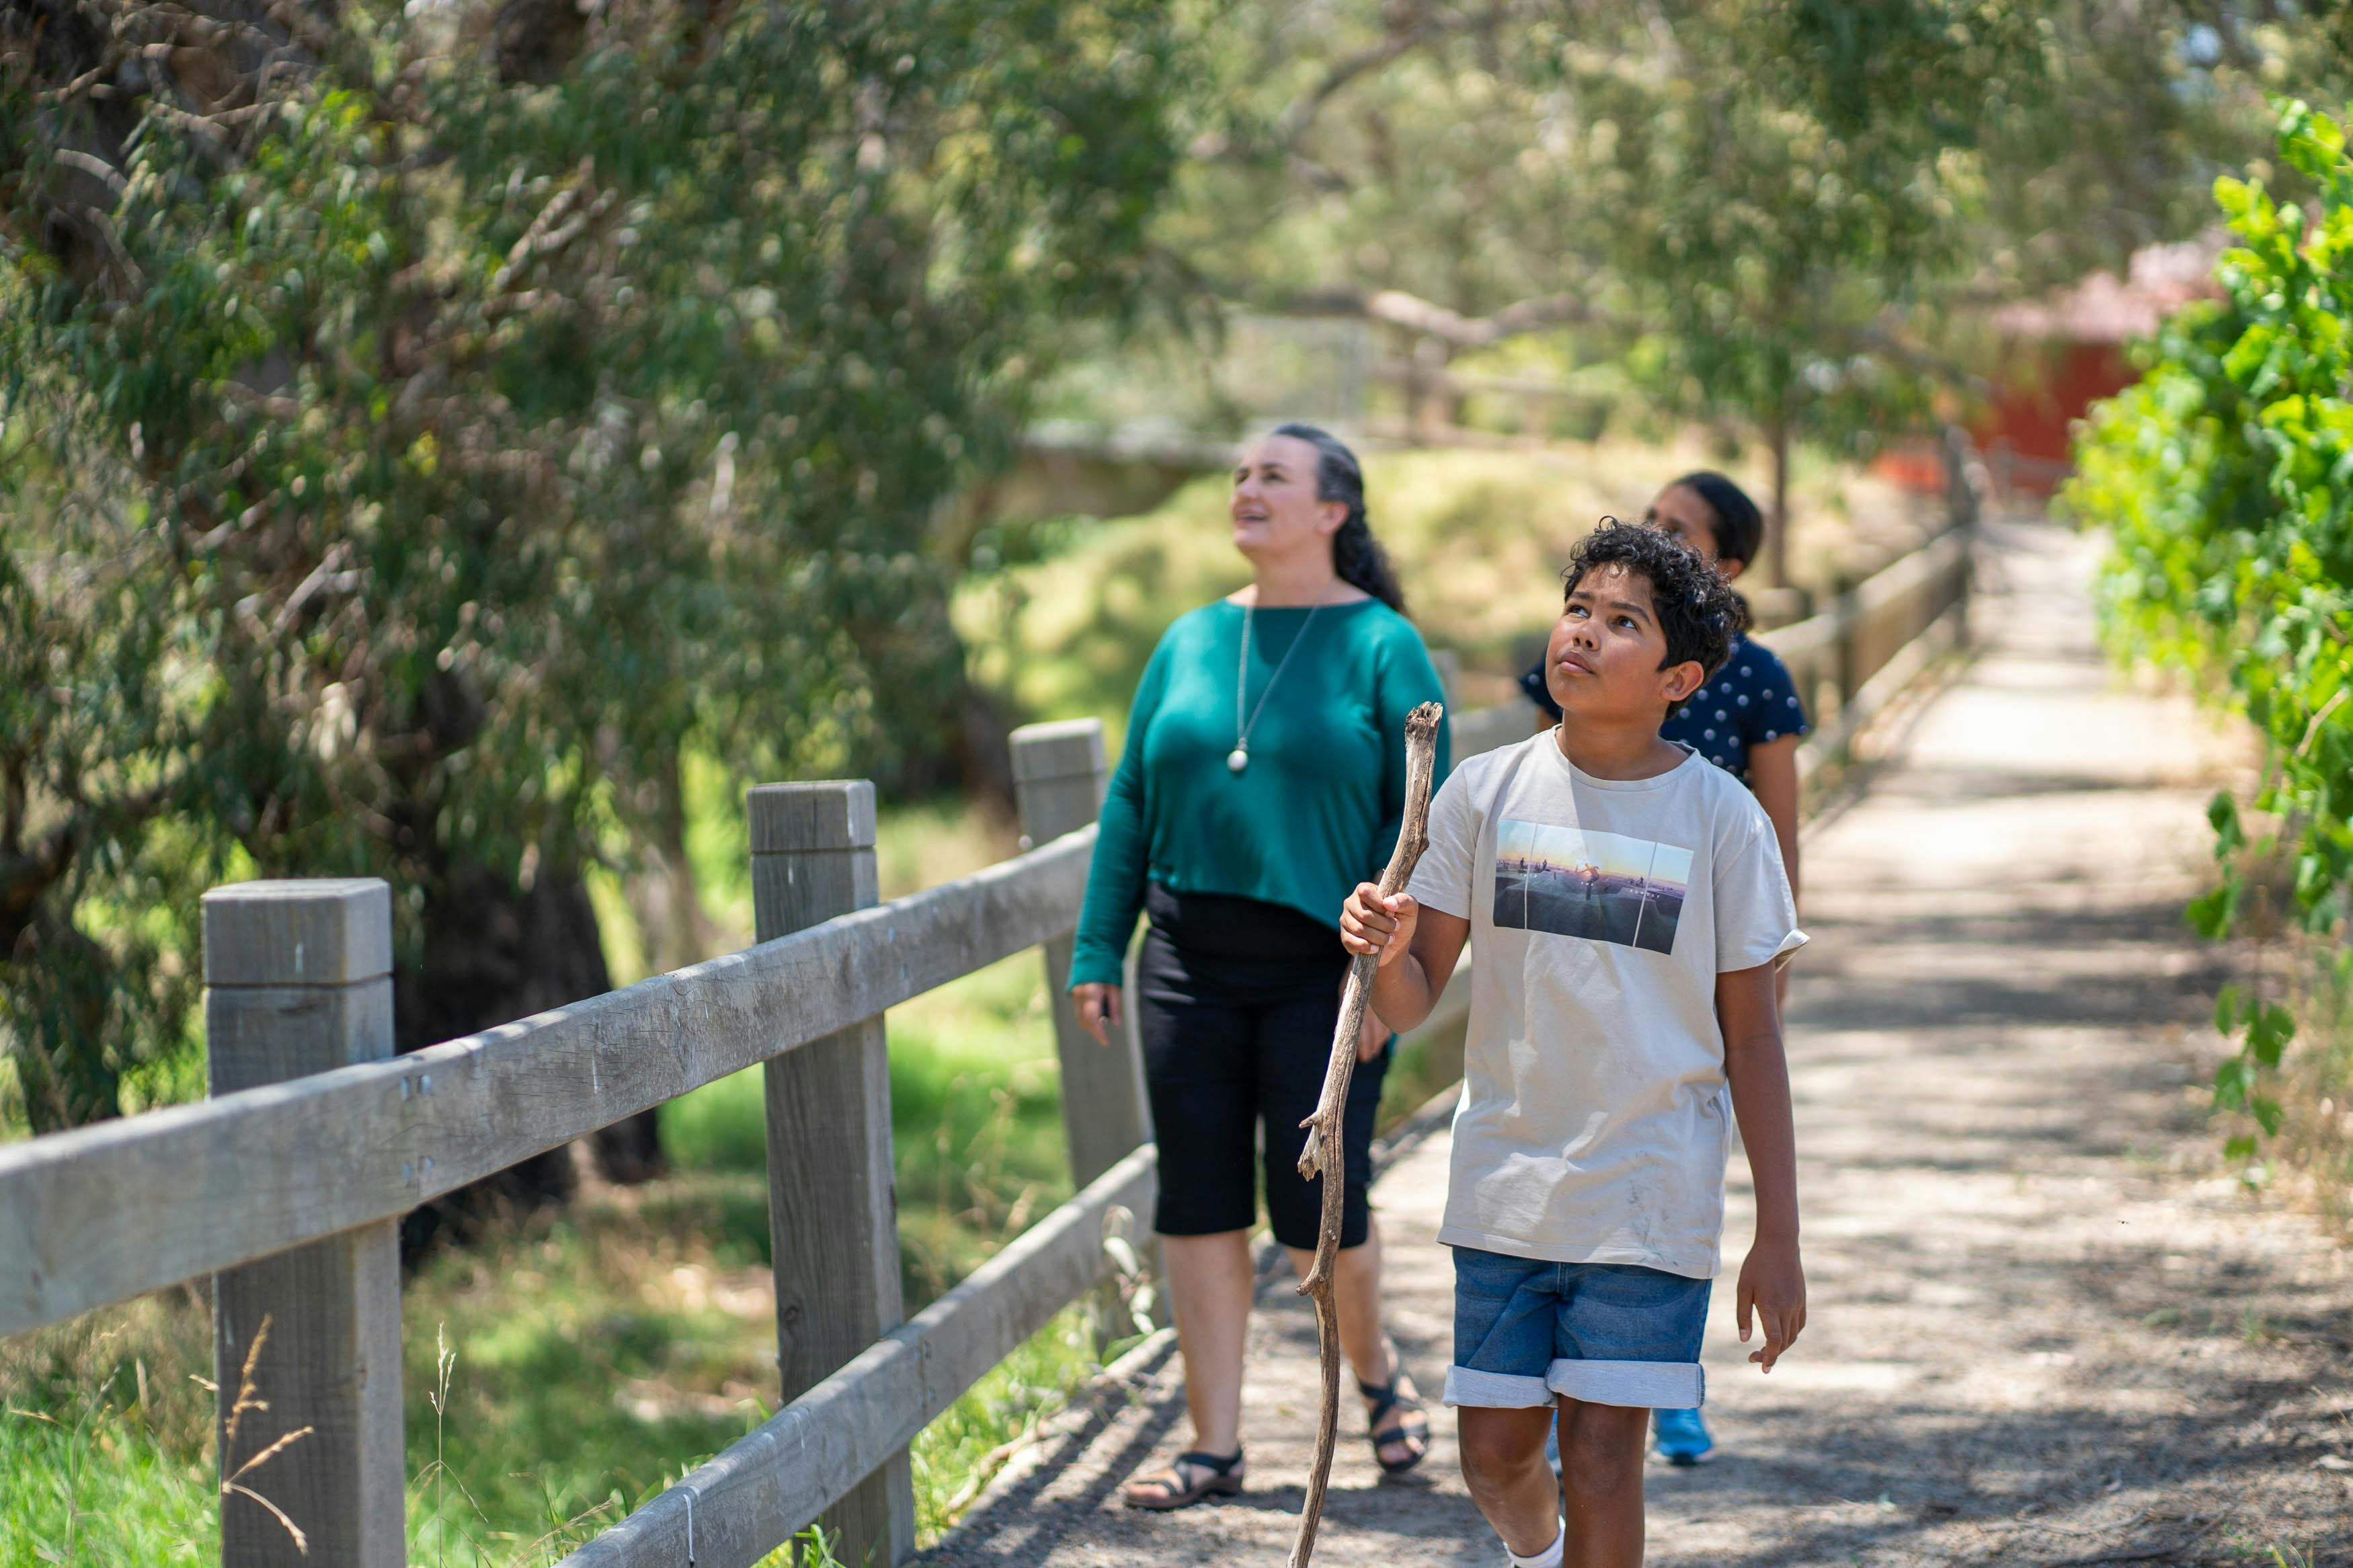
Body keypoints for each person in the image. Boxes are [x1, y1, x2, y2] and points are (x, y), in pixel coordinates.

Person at [1341, 521, 1806, 1568]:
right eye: (1579, 610)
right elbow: (1414, 1001)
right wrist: (1380, 948)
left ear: (1678, 677)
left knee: (1604, 1457)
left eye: (1623, 622)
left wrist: (1777, 1231)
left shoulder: (1722, 820)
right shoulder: (1483, 794)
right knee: (1495, 1455)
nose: (1586, 634)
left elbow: (1755, 1037)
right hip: (1508, 1180)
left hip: (1652, 1190)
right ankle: (1537, 1552)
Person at [1068, 422, 1452, 1509]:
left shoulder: (1385, 646)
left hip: (1325, 970)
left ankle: (1375, 1375)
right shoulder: (1189, 638)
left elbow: (1421, 825)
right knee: (1195, 1201)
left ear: (1333, 510)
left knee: (1316, 1208)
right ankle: (1215, 1446)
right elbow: (1132, 798)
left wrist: (1387, 976)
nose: (1246, 488)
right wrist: (1101, 944)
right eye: (1238, 473)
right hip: (1184, 955)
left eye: (1272, 476)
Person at [1519, 472, 1807, 1466]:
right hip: (1586, 894)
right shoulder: (1582, 657)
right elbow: (1538, 777)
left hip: (1701, 925)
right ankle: (1573, 1381)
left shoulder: (1758, 677)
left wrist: (1768, 957)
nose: (1656, 533)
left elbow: (1778, 820)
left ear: (1723, 568)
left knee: (1674, 1153)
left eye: (1680, 531)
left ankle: (1661, 1379)